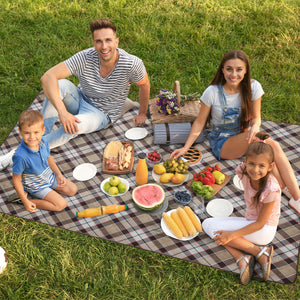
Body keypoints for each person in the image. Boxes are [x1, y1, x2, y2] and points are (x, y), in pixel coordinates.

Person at [0, 18, 150, 162]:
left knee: (72, 127)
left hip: (101, 113)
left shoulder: (131, 64)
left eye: (108, 40)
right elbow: (47, 77)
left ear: (116, 42)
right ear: (94, 43)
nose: (104, 46)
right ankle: (41, 136)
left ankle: (20, 153)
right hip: (80, 98)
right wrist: (63, 112)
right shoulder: (85, 57)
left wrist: (142, 112)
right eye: (99, 41)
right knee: (59, 84)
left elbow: (144, 85)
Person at [170, 50, 300, 214]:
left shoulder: (254, 87)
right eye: (229, 69)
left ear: (246, 71)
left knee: (272, 146)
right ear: (222, 70)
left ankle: (286, 191)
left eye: (239, 69)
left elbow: (257, 117)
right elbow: (199, 122)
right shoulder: (212, 92)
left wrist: (255, 126)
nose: (234, 74)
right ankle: (295, 197)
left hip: (247, 138)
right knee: (269, 144)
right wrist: (186, 147)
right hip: (222, 143)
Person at [202, 132, 281, 285]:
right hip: (250, 221)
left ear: (270, 167)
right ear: (245, 161)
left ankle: (258, 252)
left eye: (261, 166)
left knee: (212, 227)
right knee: (209, 225)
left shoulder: (271, 189)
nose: (255, 170)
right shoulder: (243, 172)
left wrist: (232, 235)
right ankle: (242, 256)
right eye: (251, 163)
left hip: (263, 230)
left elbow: (260, 224)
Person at [10, 110, 77, 213]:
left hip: (48, 176)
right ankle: (26, 200)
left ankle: (51, 191)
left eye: (36, 132)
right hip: (37, 185)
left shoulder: (43, 141)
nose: (32, 137)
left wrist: (58, 174)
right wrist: (25, 200)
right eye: (27, 133)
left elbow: (48, 157)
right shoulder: (21, 156)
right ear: (20, 132)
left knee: (72, 190)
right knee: (61, 205)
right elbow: (16, 179)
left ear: (43, 130)